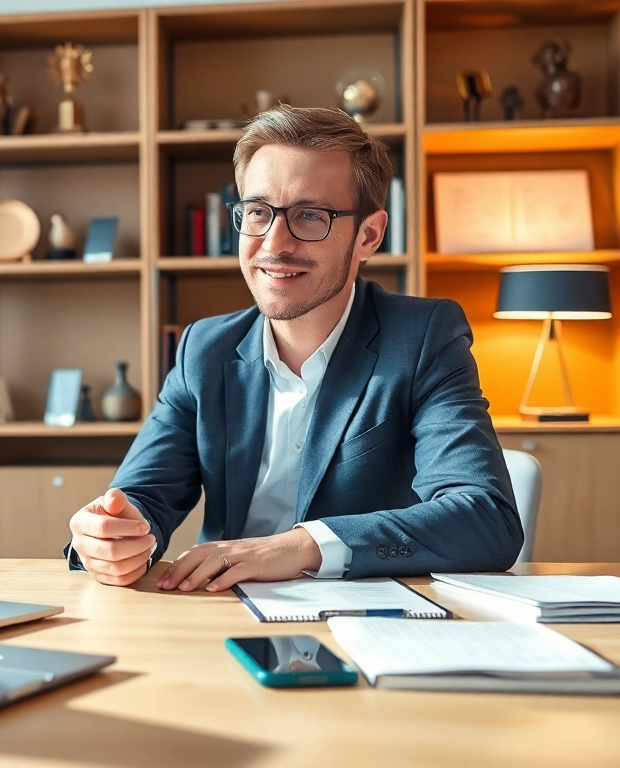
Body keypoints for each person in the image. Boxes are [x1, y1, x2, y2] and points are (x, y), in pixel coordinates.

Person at [65, 105, 522, 591]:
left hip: (365, 617)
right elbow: (141, 499)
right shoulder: (204, 348)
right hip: (218, 611)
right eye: (258, 213)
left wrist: (301, 545)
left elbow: (484, 518)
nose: (273, 244)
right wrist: (110, 538)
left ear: (368, 235)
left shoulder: (423, 337)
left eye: (309, 215)